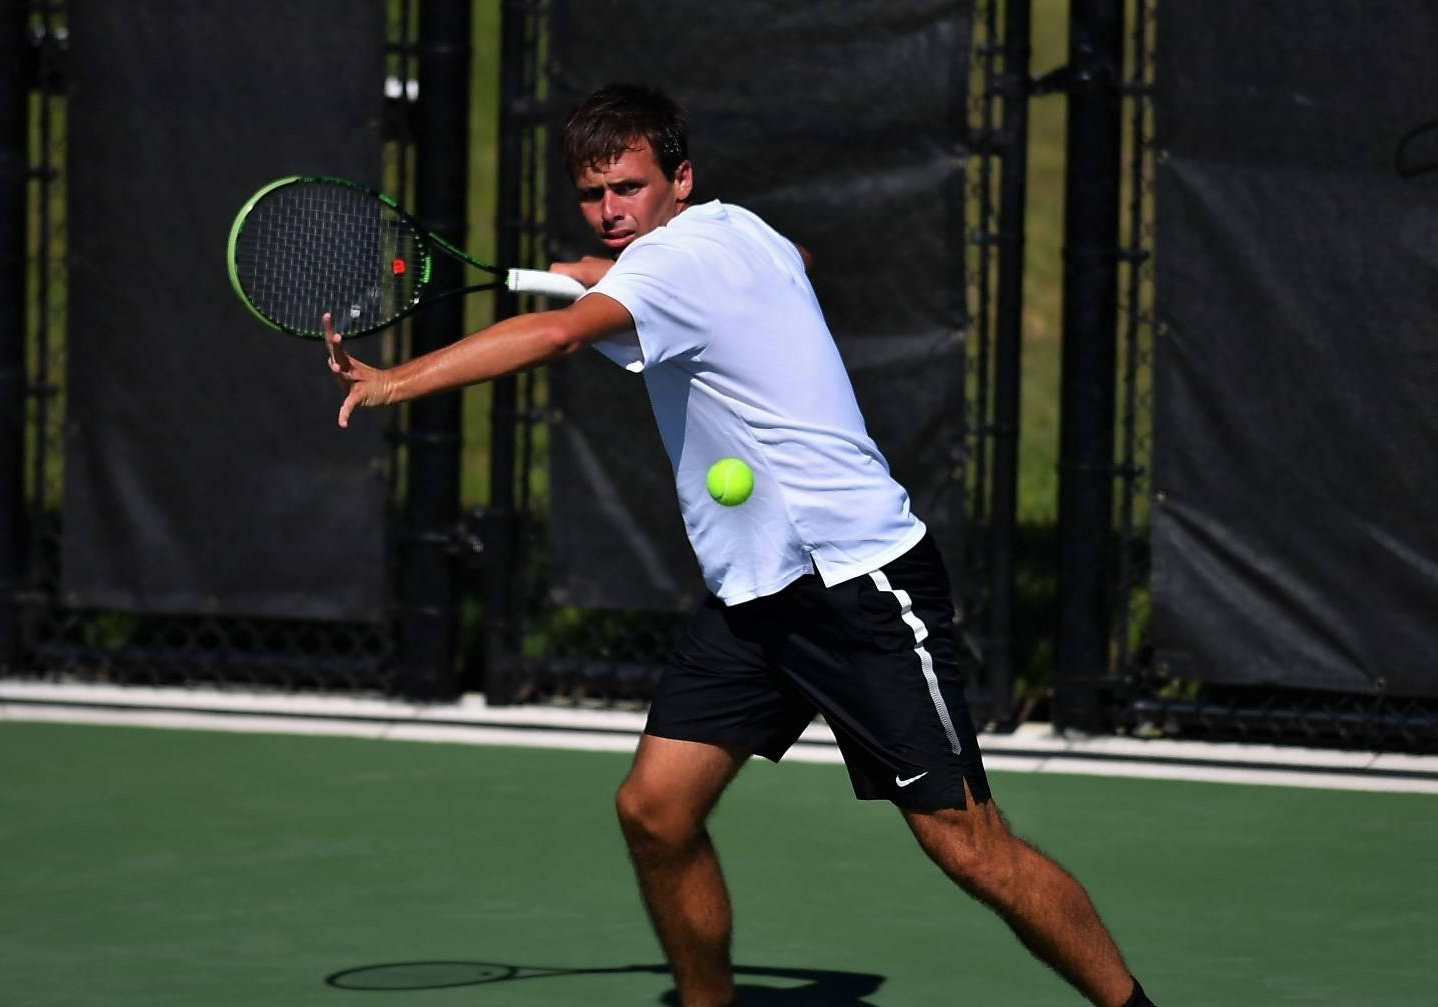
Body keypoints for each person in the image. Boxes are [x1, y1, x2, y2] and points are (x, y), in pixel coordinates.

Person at [325, 83, 1157, 1007]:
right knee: (656, 810)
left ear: (678, 178)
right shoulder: (738, 229)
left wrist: (395, 381)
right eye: (593, 195)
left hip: (857, 581)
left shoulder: (668, 266)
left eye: (630, 188)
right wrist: (613, 273)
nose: (610, 211)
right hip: (757, 596)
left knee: (970, 847)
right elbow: (793, 258)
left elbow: (556, 334)